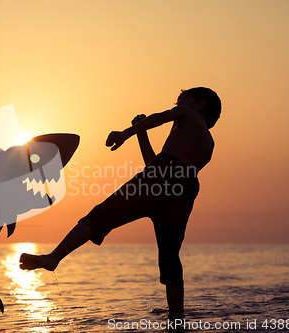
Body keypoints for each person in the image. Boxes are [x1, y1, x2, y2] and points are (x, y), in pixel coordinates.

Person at [19, 87, 222, 315]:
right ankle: (177, 318)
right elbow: (154, 164)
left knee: (103, 214)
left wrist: (126, 133)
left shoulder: (188, 114)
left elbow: (159, 122)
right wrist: (140, 135)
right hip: (185, 189)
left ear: (200, 104)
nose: (177, 107)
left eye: (180, 103)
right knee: (170, 256)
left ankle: (54, 257)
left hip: (164, 174)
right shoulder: (208, 143)